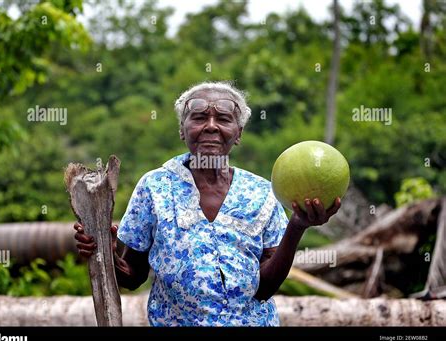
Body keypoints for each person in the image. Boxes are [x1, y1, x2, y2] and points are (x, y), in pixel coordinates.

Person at [74, 81, 341, 326]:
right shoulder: (154, 187)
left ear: (238, 133)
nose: (211, 126)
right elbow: (133, 276)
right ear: (182, 130)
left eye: (224, 119)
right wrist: (105, 254)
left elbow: (264, 289)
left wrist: (297, 227)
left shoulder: (263, 193)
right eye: (199, 117)